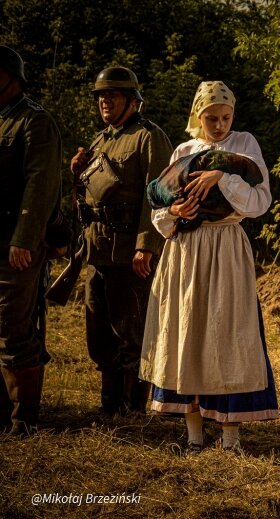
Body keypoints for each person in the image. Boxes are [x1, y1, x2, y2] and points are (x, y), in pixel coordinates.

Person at [139, 81, 279, 454]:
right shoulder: (184, 149)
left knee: (229, 331)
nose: (219, 125)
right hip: (185, 249)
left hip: (226, 244)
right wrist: (174, 212)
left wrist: (224, 176)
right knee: (189, 331)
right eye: (212, 118)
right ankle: (194, 436)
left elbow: (260, 200)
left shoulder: (245, 143)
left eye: (226, 117)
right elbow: (159, 203)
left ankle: (231, 438)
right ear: (198, 117)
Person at [69, 67, 172, 416]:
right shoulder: (100, 141)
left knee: (132, 331)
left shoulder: (149, 136)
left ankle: (132, 408)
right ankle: (108, 403)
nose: (104, 101)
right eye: (100, 96)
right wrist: (76, 173)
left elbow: (158, 194)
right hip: (97, 250)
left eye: (112, 95)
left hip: (131, 252)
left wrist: (147, 244)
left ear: (132, 99)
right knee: (98, 332)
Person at [0, 46, 62, 435]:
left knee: (13, 325)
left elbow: (41, 185)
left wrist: (24, 238)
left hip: (16, 243)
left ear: (12, 76)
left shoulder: (34, 121)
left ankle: (23, 418)